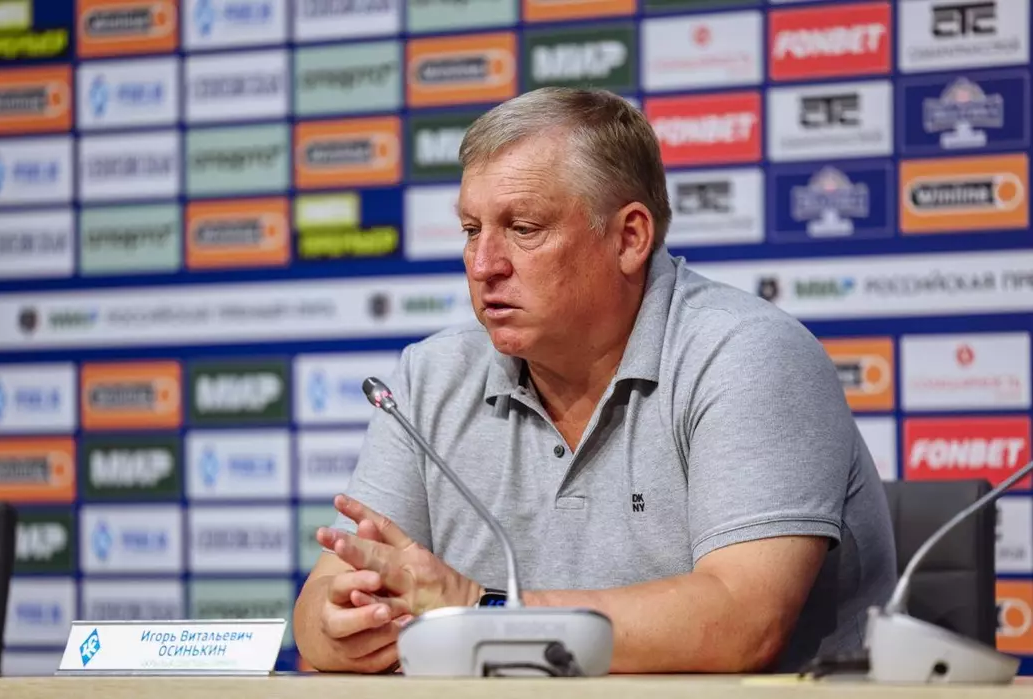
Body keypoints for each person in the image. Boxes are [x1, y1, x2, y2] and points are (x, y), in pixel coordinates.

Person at [292, 86, 898, 675]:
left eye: (523, 228)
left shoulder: (746, 355)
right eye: (472, 230)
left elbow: (743, 622)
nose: (483, 265)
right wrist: (344, 626)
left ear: (629, 238)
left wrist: (482, 612)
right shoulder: (429, 378)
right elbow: (319, 609)